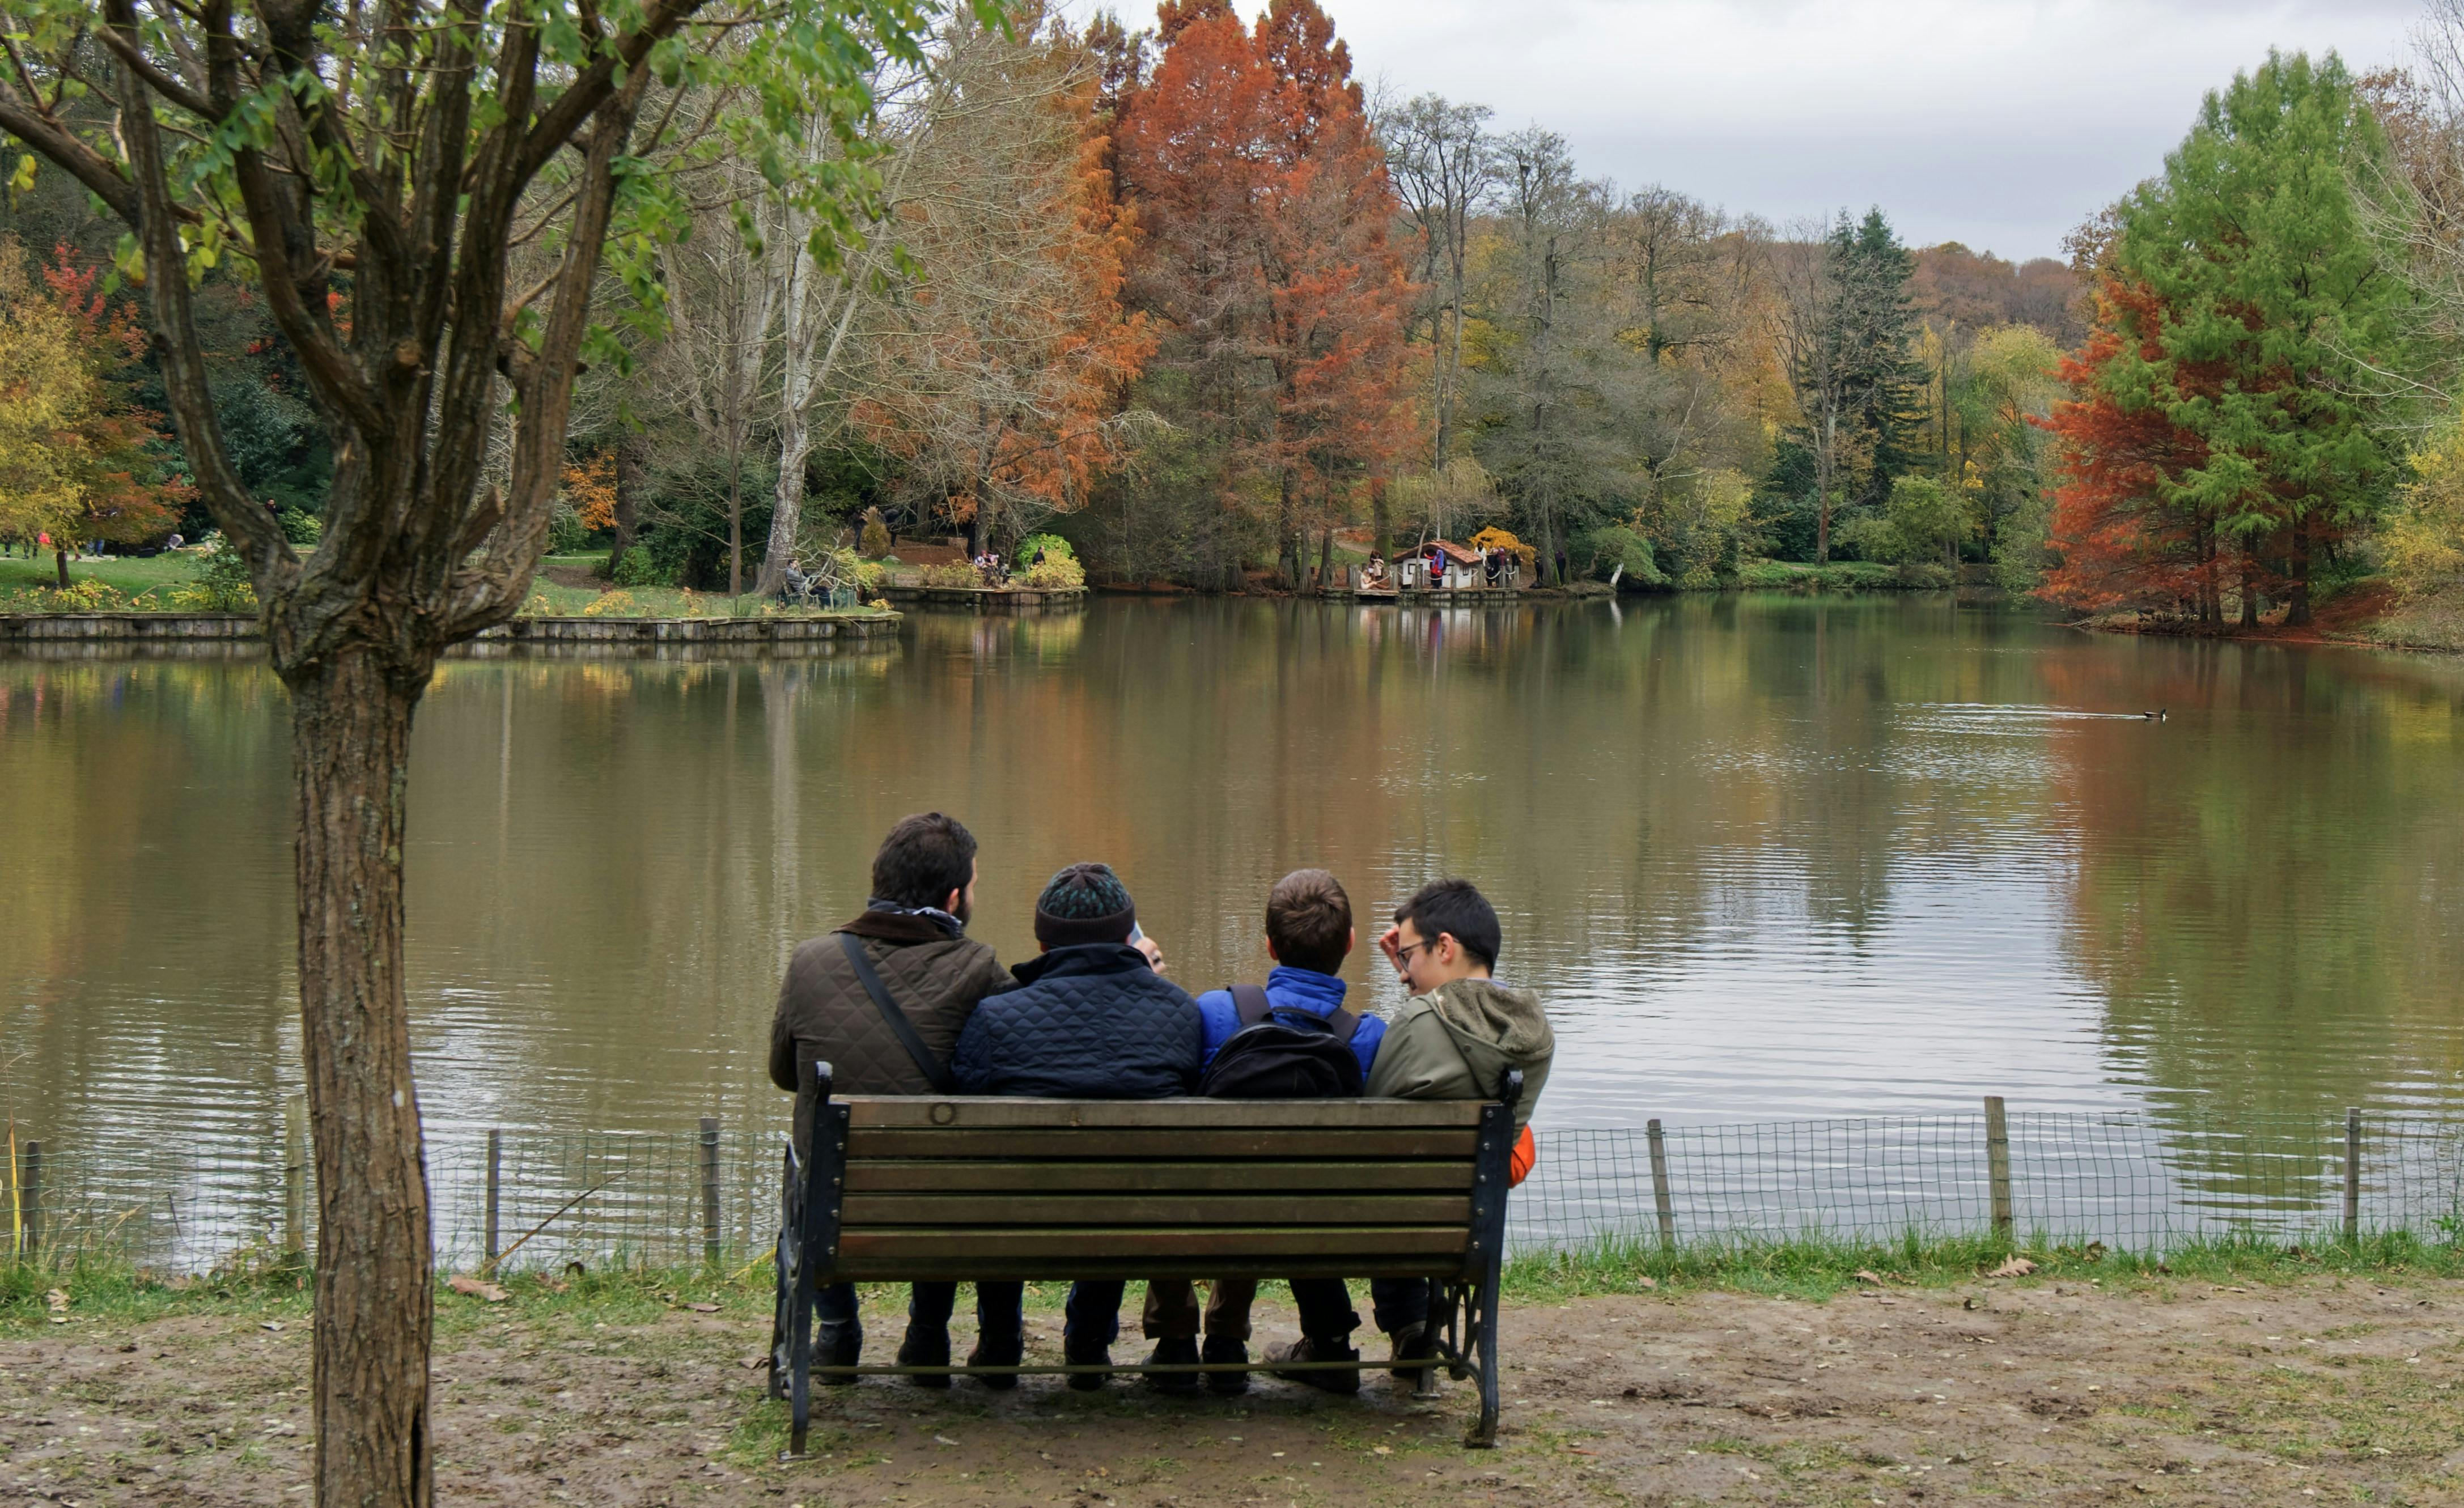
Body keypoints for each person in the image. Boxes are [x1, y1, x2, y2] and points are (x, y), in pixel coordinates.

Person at [766, 813, 1019, 1391]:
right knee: (952, 1174)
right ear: (954, 898)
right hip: (936, 1206)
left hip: (835, 1209)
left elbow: (785, 1074)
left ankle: (837, 1333)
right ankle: (928, 1333)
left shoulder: (810, 961)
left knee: (816, 1167)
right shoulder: (980, 969)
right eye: (974, 885)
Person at [953, 863, 1201, 1389]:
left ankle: (999, 1342)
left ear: (1044, 943)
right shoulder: (1181, 1012)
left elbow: (966, 1122)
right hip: (1135, 1219)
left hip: (1016, 1219)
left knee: (1000, 1181)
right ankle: (1088, 1343)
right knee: (1119, 1177)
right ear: (1127, 937)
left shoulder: (996, 1016)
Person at [1138, 869, 1385, 1396]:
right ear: (1350, 943)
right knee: (1284, 1183)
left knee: (1198, 1174)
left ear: (1269, 945)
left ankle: (1177, 1343)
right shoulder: (1368, 1038)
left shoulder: (1213, 1012)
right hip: (1319, 1223)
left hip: (1209, 1211)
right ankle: (1231, 1342)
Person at [1363, 878, 1554, 1385]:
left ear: (1444, 947)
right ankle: (1418, 1329)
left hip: (1394, 1226)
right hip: (1470, 1230)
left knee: (1388, 1184)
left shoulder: (1414, 1025)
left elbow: (1376, 1117)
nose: (1404, 969)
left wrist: (1408, 997)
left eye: (1408, 956)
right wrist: (1412, 974)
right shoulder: (1533, 1034)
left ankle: (1407, 1323)